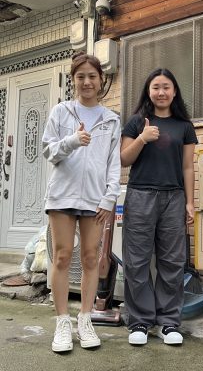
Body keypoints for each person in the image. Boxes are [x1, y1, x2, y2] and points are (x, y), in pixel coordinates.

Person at [42, 52, 121, 353]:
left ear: (101, 79)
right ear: (73, 80)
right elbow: (49, 151)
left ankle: (84, 319)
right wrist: (72, 141)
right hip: (62, 194)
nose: (87, 82)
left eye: (92, 76)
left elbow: (113, 163)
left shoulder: (111, 119)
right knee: (62, 256)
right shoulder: (62, 112)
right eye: (80, 76)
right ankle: (62, 322)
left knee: (91, 258)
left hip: (95, 197)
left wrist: (110, 196)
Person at [120, 68, 197, 346]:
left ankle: (168, 322)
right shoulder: (136, 122)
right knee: (137, 260)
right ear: (148, 92)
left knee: (172, 260)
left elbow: (188, 167)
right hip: (140, 195)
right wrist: (142, 137)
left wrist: (190, 201)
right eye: (156, 87)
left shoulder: (184, 126)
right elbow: (123, 160)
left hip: (174, 197)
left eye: (166, 87)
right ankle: (139, 321)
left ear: (174, 91)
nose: (161, 92)